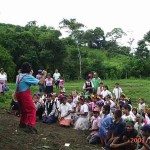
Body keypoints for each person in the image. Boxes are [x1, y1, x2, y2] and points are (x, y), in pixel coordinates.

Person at [15, 62, 47, 134]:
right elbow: (41, 82)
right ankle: (30, 126)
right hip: (24, 94)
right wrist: (44, 74)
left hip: (18, 94)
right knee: (32, 109)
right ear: (29, 69)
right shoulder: (27, 77)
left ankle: (22, 123)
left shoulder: (19, 75)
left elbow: (27, 79)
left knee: (24, 110)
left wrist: (30, 74)